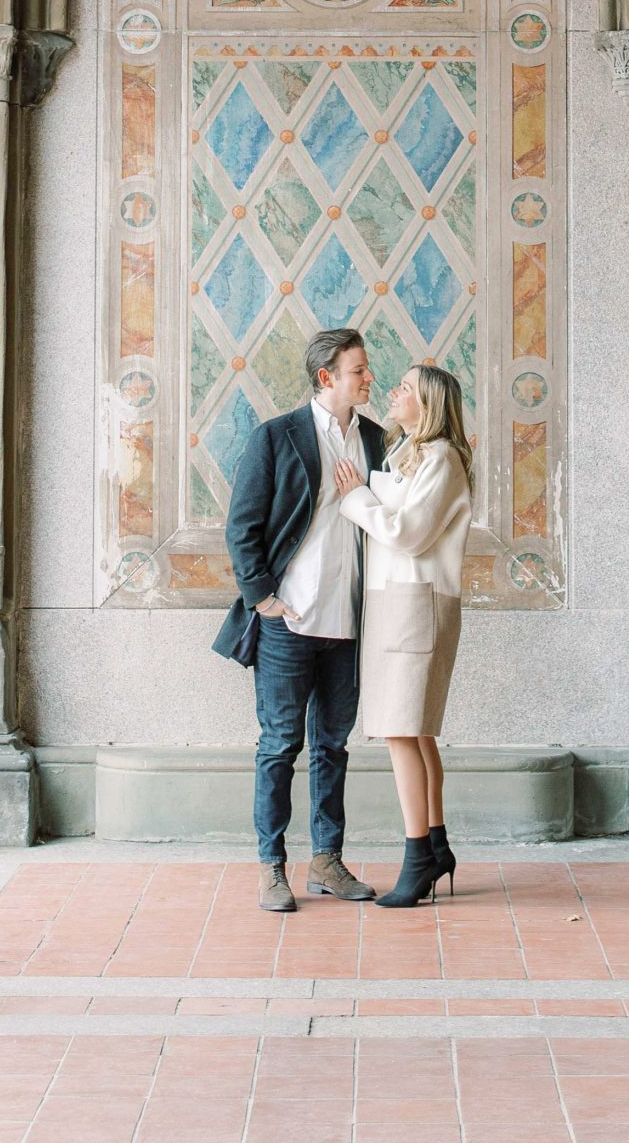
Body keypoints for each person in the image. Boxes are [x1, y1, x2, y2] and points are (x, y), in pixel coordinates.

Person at [214, 325, 386, 912]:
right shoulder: (276, 437)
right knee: (280, 744)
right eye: (359, 370)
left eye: (366, 369)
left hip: (350, 622)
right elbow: (243, 526)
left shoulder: (378, 441)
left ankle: (327, 861)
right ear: (326, 377)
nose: (369, 378)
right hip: (289, 621)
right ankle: (272, 867)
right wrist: (263, 598)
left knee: (333, 745)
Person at [334, 361, 474, 907]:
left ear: (430, 404)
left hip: (415, 604)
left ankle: (417, 858)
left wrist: (356, 500)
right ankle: (436, 847)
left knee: (400, 729)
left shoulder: (440, 457)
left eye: (406, 388)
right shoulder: (410, 453)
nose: (393, 391)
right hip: (400, 603)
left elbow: (410, 533)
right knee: (415, 732)